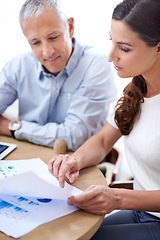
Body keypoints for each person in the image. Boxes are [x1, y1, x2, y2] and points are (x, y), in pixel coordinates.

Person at [48, 0, 160, 239]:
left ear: (158, 48)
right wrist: (74, 160)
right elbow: (102, 142)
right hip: (142, 211)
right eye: (112, 41)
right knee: (64, 229)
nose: (110, 56)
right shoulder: (137, 90)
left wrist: (117, 198)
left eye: (124, 48)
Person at [0, 0, 116, 151]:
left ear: (70, 27)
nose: (47, 52)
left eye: (53, 37)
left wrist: (14, 128)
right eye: (35, 43)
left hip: (79, 165)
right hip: (27, 156)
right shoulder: (19, 65)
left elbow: (74, 138)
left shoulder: (96, 66)